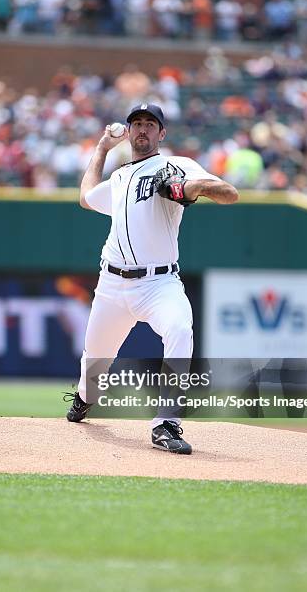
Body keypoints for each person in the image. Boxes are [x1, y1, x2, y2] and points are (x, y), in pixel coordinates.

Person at [65, 103, 239, 454]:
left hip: (159, 284)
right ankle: (85, 398)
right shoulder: (119, 177)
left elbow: (228, 193)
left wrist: (189, 187)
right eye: (137, 123)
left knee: (179, 329)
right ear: (129, 132)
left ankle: (166, 423)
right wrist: (101, 149)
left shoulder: (175, 165)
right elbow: (85, 198)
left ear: (162, 133)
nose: (142, 129)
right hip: (112, 285)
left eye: (150, 124)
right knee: (94, 364)